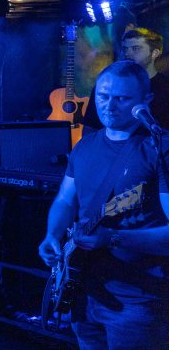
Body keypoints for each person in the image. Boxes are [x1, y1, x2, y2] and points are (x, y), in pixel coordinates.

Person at [38, 60, 169, 348]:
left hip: (137, 299)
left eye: (122, 98)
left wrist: (113, 237)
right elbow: (66, 199)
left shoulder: (159, 150)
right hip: (84, 289)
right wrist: (53, 234)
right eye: (103, 96)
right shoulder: (85, 145)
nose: (109, 106)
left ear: (146, 101)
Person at [83, 27, 169, 132]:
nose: (128, 54)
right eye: (124, 49)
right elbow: (90, 127)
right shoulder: (106, 85)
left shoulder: (165, 87)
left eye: (136, 48)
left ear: (155, 53)